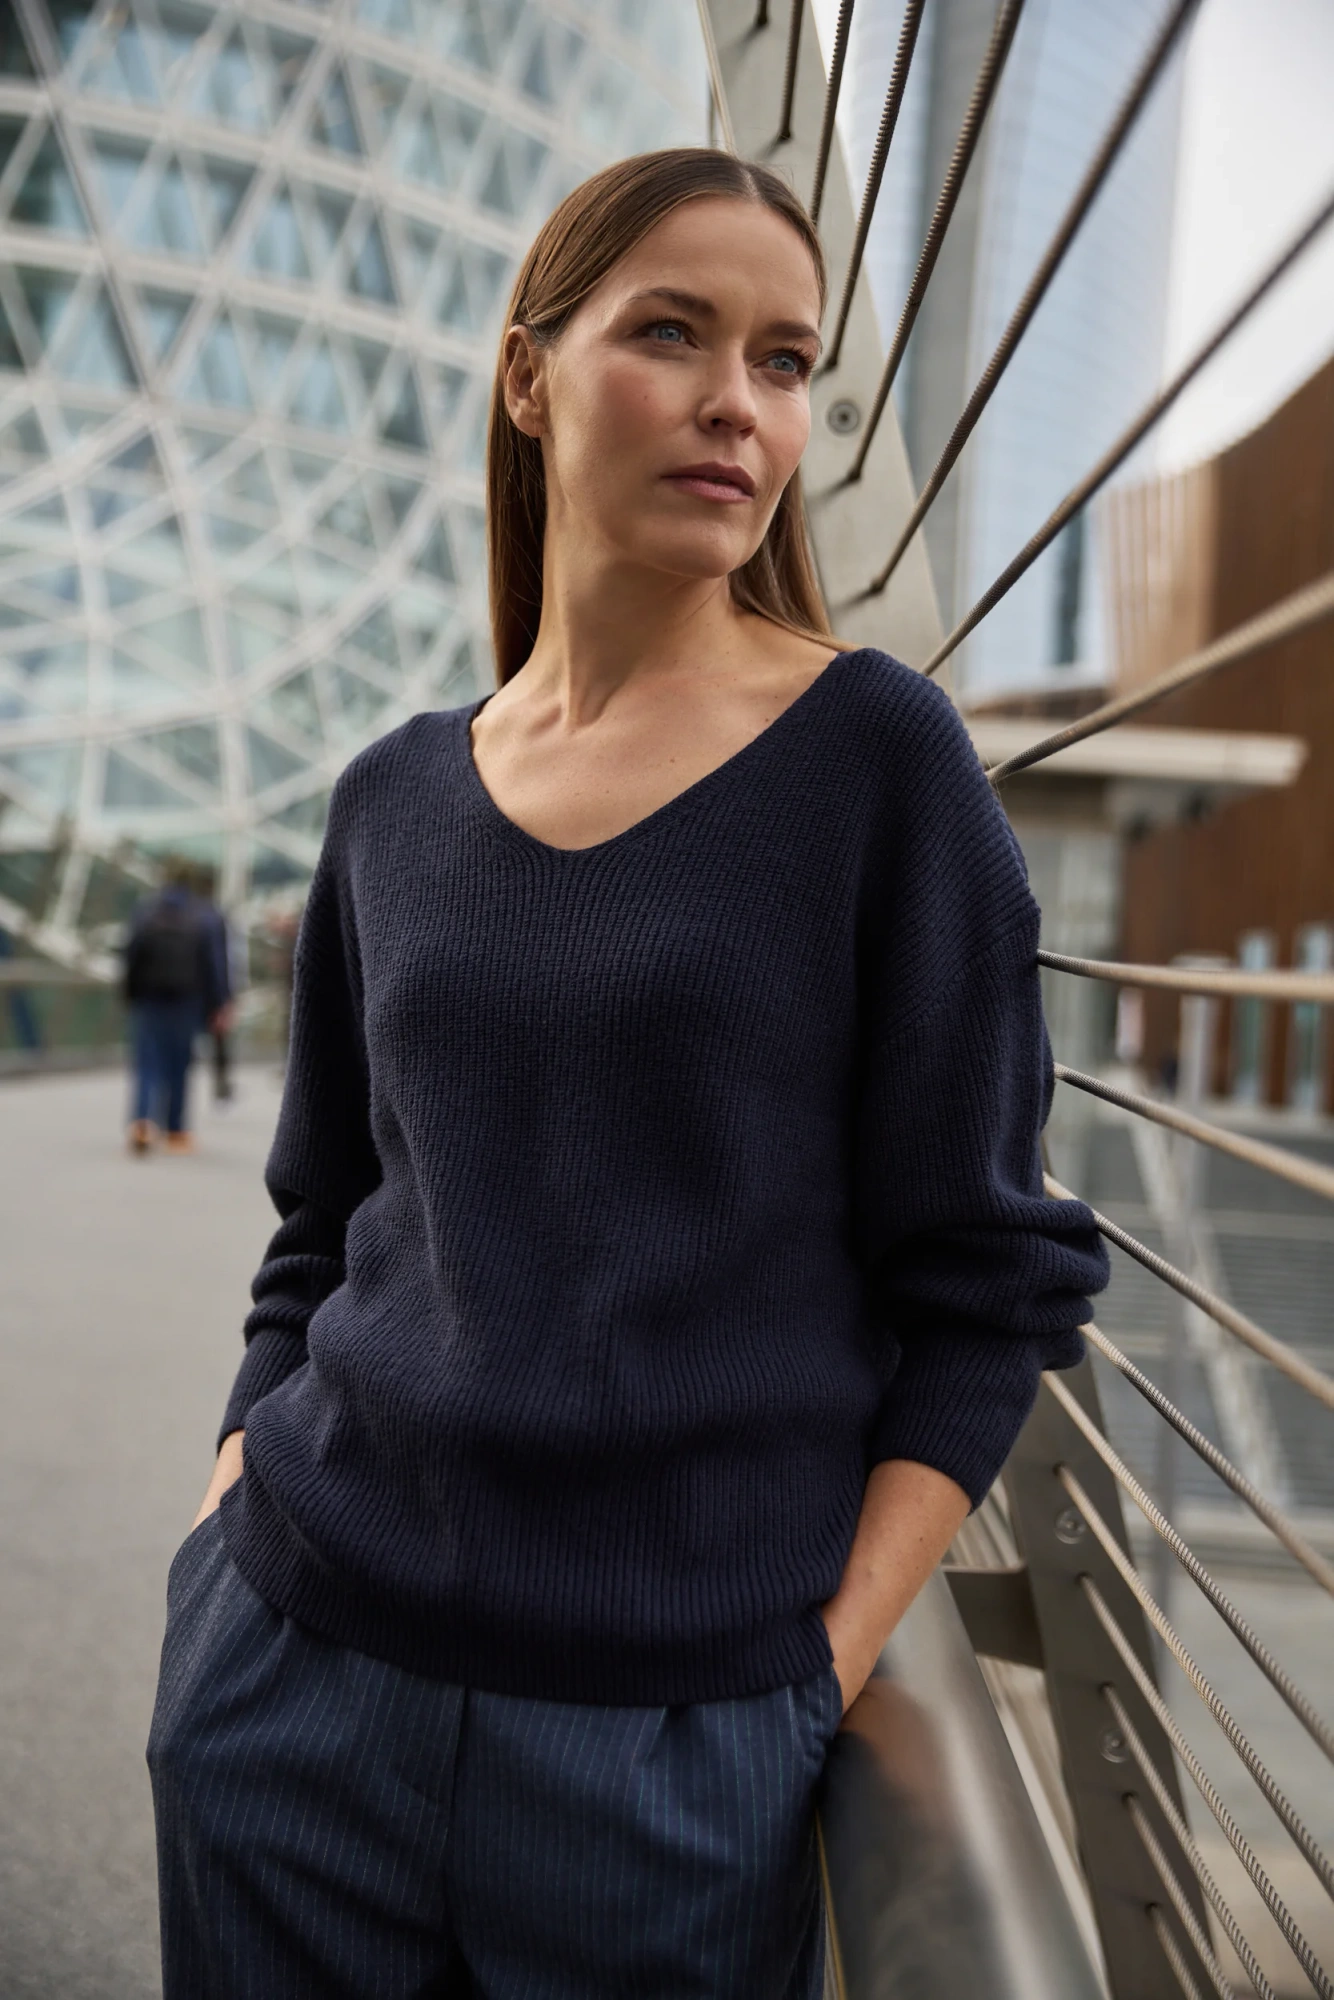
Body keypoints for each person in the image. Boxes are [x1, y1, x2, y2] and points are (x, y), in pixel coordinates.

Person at [147, 150, 1108, 1997]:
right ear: (529, 376)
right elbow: (323, 1224)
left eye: (783, 360)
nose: (737, 403)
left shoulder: (878, 762)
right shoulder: (390, 798)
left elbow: (989, 1283)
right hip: (289, 1674)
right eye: (669, 333)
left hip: (665, 1759)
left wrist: (811, 1667)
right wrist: (228, 1509)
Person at [123, 861, 230, 1153]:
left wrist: (130, 994)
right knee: (180, 1063)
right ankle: (175, 1130)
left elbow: (131, 956)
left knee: (147, 1061)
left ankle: (142, 1122)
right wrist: (219, 1003)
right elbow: (214, 965)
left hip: (149, 999)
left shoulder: (146, 911)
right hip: (187, 1000)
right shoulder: (204, 915)